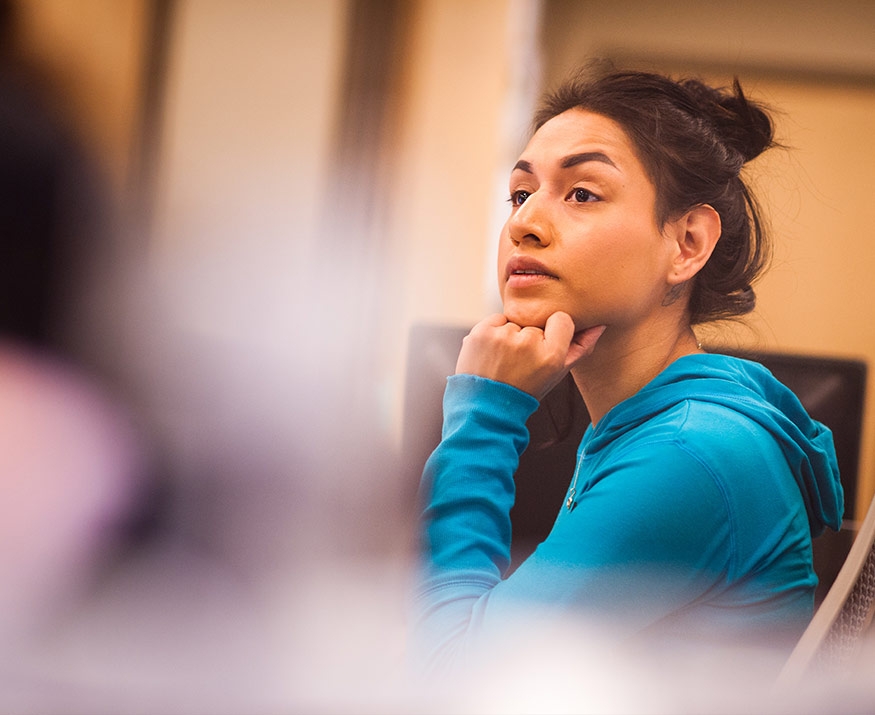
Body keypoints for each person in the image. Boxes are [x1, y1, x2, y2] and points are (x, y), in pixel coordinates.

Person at [413, 68, 843, 674]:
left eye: (582, 193)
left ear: (687, 243)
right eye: (520, 194)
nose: (522, 224)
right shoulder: (657, 422)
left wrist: (483, 417)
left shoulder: (689, 452)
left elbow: (445, 681)